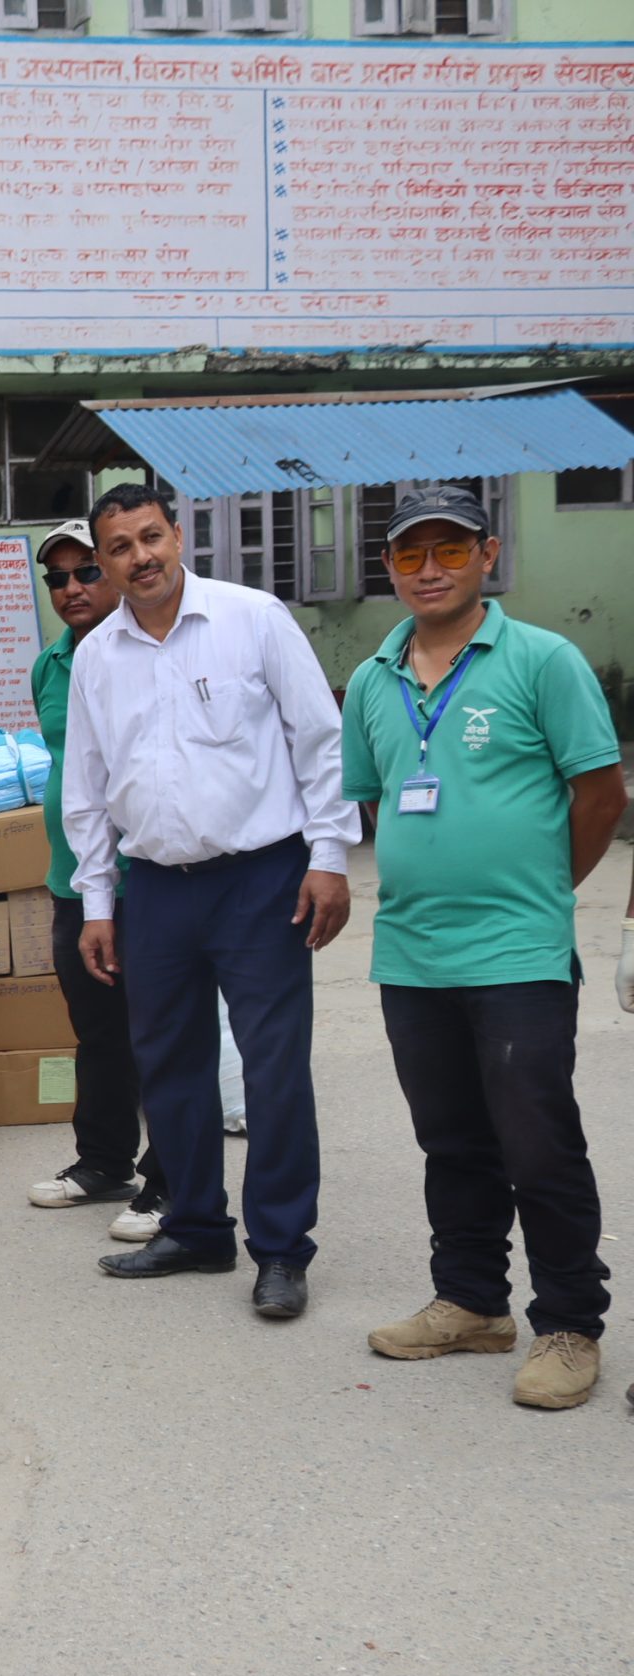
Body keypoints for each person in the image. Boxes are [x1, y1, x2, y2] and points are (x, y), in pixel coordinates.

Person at [343, 487, 624, 1409]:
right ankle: (471, 1299)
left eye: (450, 551)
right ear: (389, 568)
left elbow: (600, 794)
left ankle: (570, 1322)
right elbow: (380, 804)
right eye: (410, 554)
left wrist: (539, 892)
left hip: (517, 952)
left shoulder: (543, 660)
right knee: (450, 1137)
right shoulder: (374, 679)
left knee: (537, 1139)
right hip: (413, 952)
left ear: (487, 555)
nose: (430, 569)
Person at [64, 482, 360, 1320]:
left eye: (150, 537)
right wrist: (97, 901)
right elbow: (84, 790)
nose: (139, 558)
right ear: (107, 560)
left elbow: (318, 739)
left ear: (177, 533)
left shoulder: (253, 618)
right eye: (119, 548)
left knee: (272, 1071)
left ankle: (281, 1248)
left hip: (261, 879)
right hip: (155, 888)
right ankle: (195, 1226)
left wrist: (330, 855)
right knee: (171, 1067)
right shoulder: (97, 657)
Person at [22, 520, 163, 1241]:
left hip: (146, 881)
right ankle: (104, 1160)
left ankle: (172, 1178)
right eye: (59, 577)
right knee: (98, 1031)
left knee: (165, 1032)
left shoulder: (147, 651)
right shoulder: (50, 664)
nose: (72, 587)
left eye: (87, 572)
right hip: (74, 881)